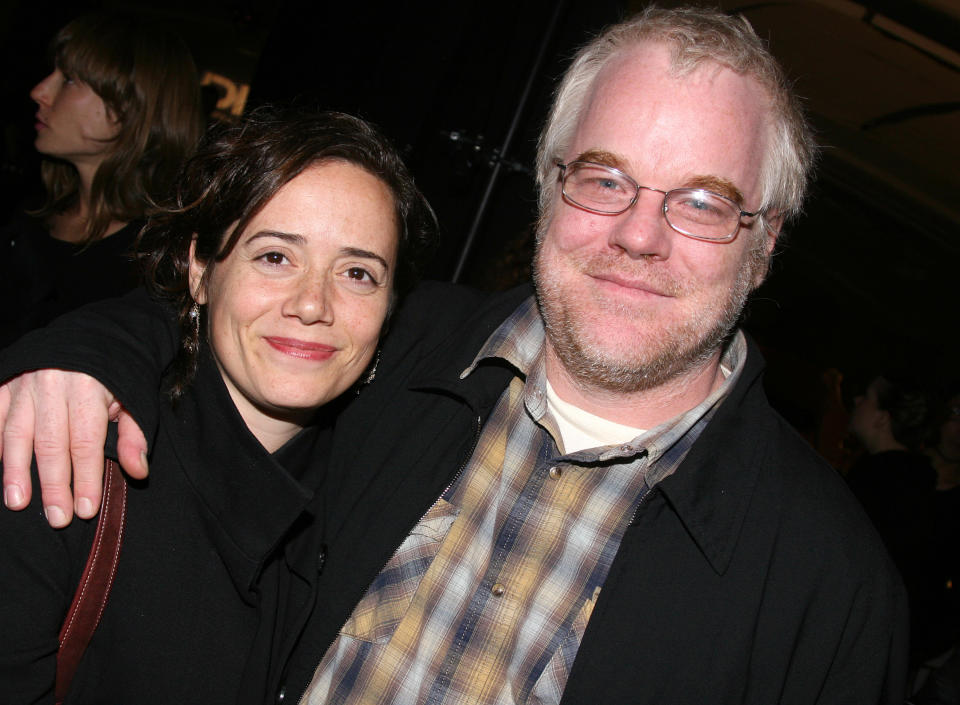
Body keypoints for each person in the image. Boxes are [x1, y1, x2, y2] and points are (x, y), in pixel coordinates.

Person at [0, 6, 909, 704]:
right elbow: (246, 324)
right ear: (548, 192)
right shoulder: (398, 349)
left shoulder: (830, 586)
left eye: (703, 201)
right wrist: (73, 359)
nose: (639, 233)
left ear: (765, 242)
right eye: (604, 178)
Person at [0, 107, 436, 704]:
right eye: (275, 257)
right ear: (201, 270)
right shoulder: (67, 460)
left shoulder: (368, 505)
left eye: (358, 272)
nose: (314, 304)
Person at [0, 11, 204, 348]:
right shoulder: (27, 216)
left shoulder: (160, 265)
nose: (39, 91)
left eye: (68, 80)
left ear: (130, 107)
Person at [846, 375, 939, 665]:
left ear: (883, 419)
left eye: (867, 397)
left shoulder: (880, 485)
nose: (857, 402)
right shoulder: (912, 480)